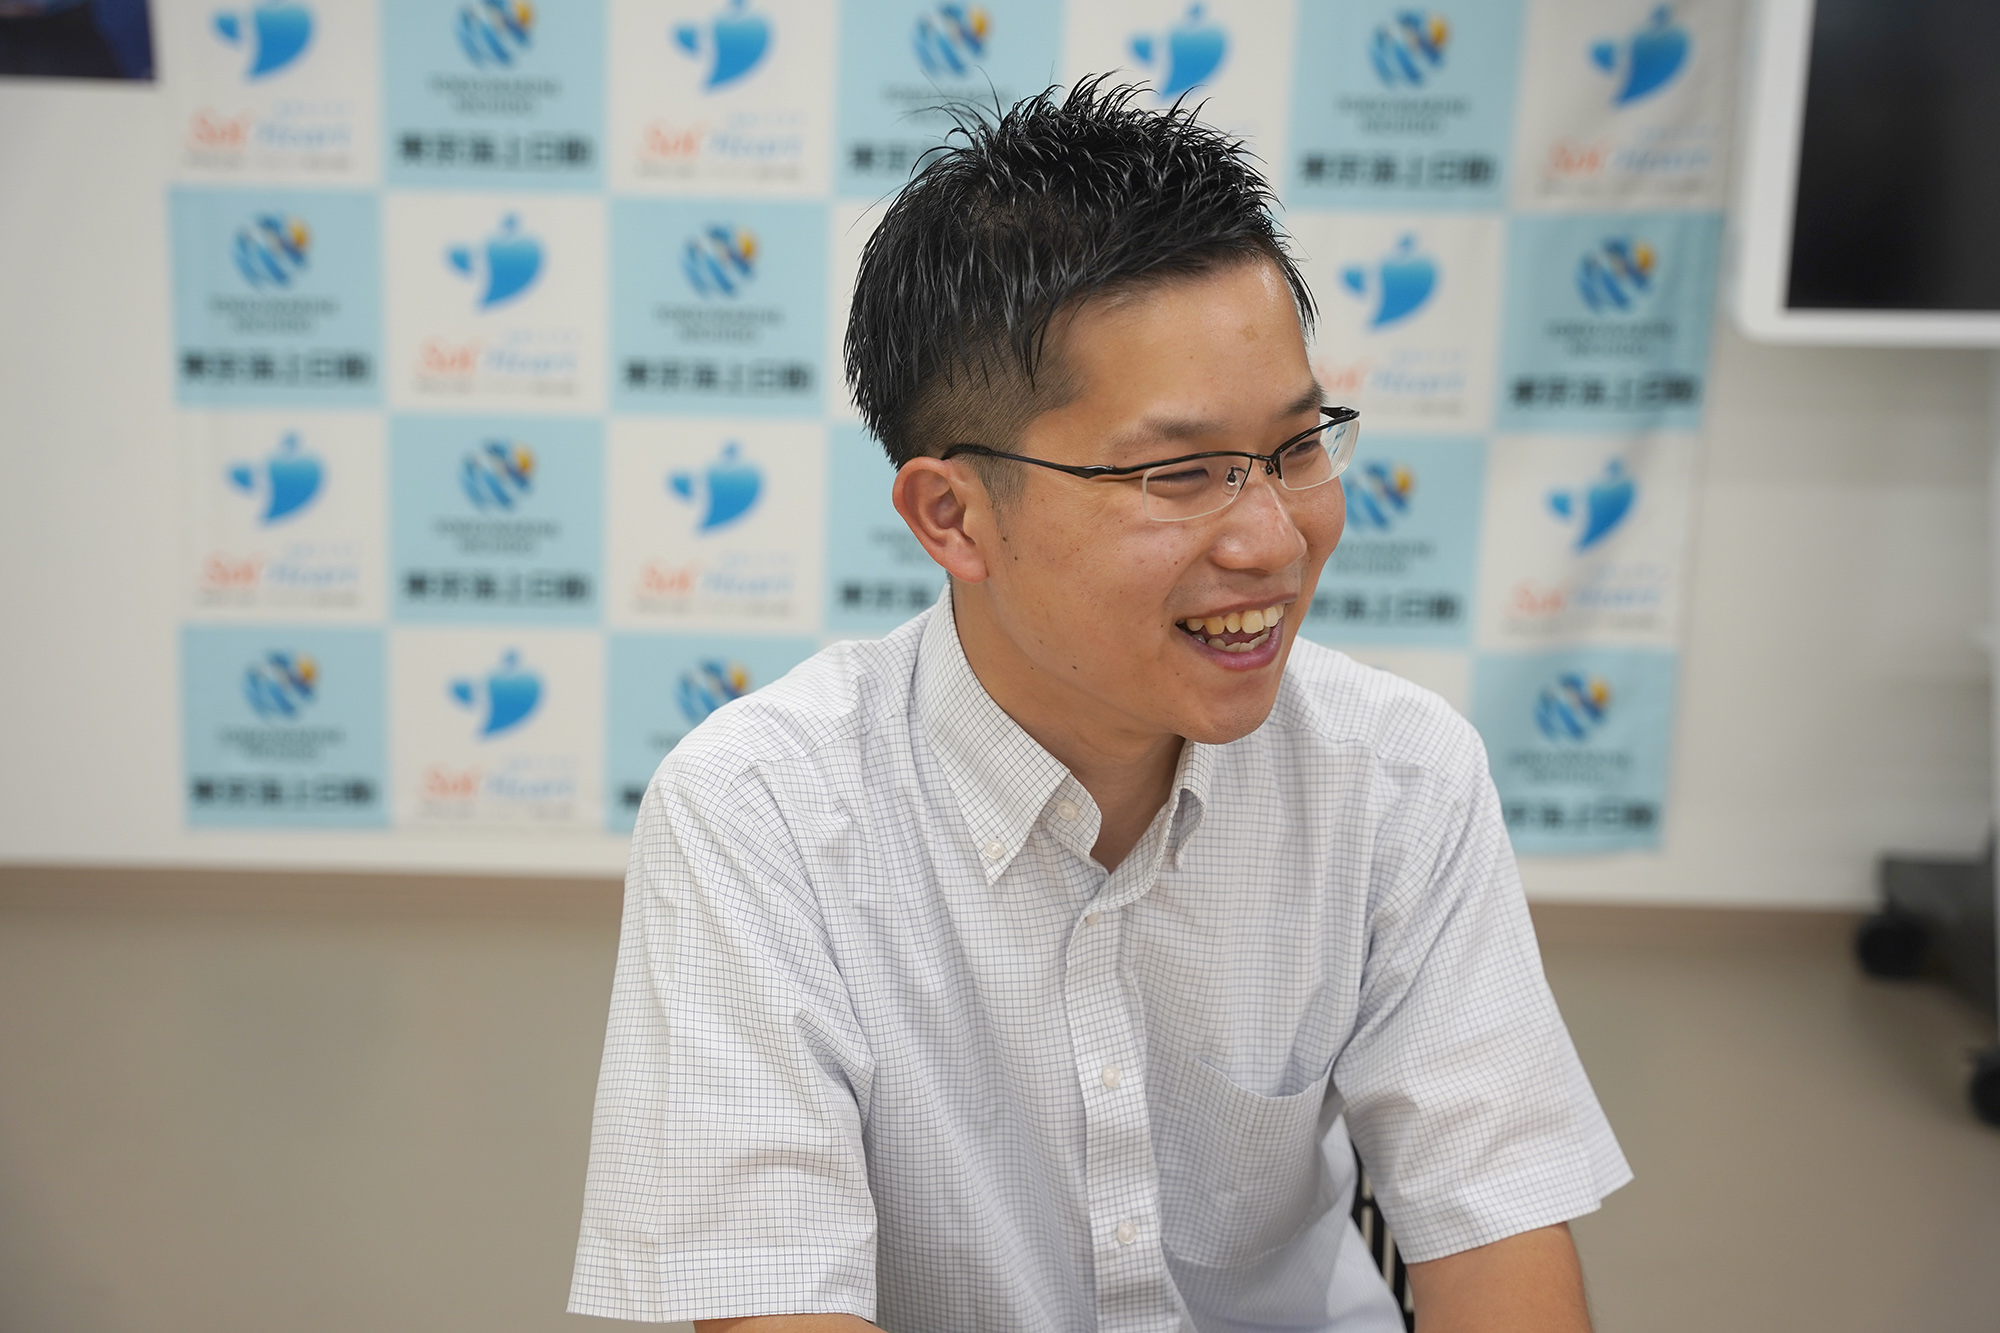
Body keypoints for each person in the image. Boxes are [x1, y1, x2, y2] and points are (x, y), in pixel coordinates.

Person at [570, 81, 1629, 1333]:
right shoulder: (763, 814)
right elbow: (769, 1299)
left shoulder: (1395, 775)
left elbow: (1495, 1239)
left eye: (1296, 448)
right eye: (1177, 473)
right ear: (951, 516)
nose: (1270, 537)